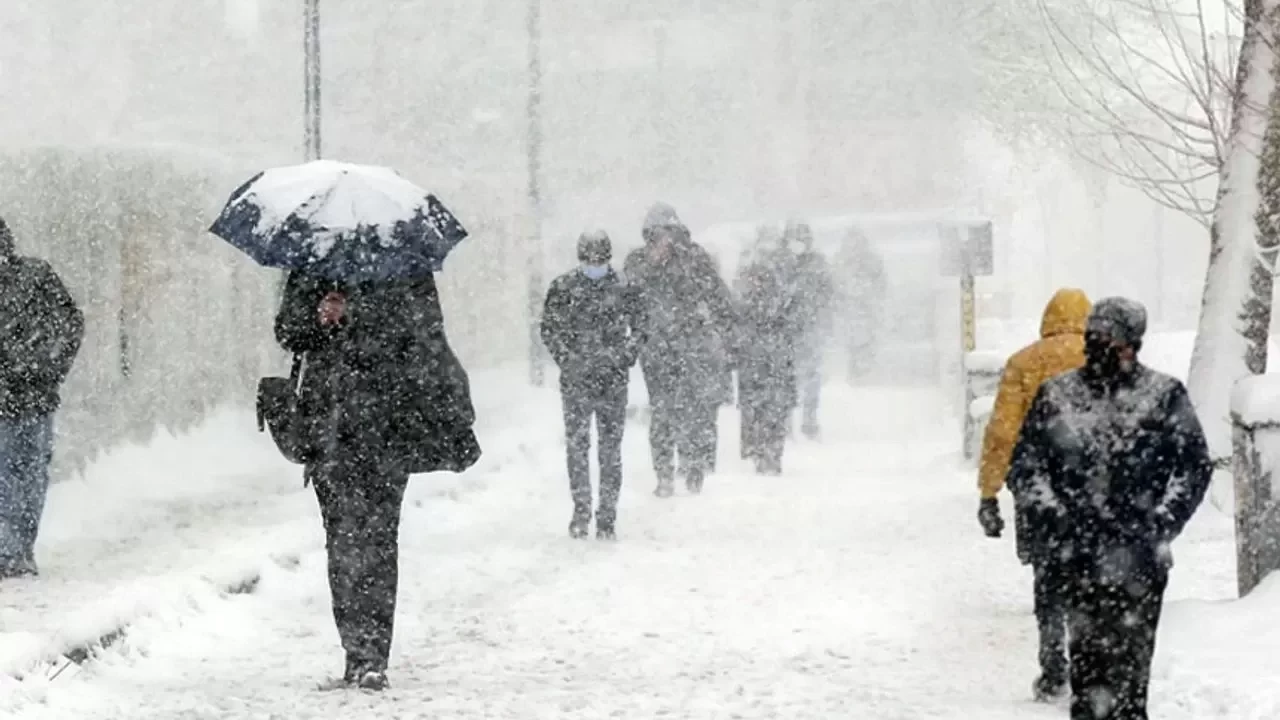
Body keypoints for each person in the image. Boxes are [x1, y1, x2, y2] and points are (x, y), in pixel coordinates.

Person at [275, 268, 480, 691]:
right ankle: (355, 651)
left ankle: (373, 656)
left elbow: (424, 336)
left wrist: (356, 316)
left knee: (379, 539)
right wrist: (318, 319)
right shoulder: (311, 267)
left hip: (389, 425)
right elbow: (287, 332)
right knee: (341, 540)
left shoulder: (408, 268)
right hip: (327, 429)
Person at [1007, 297, 1212, 720]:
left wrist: (1162, 523)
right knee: (1087, 675)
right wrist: (1055, 517)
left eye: (1110, 337)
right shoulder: (1058, 395)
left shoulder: (1163, 396)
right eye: (1093, 335)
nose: (1099, 345)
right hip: (1078, 557)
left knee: (1132, 676)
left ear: (1133, 343)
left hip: (1139, 561)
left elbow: (1192, 467)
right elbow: (1026, 466)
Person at [976, 287, 1091, 702]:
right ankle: (1090, 660)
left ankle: (1053, 665)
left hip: (1038, 484)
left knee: (1048, 574)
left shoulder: (1025, 362)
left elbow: (1003, 432)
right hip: (1094, 485)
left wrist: (989, 492)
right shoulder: (1104, 359)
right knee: (1091, 573)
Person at [625, 202, 736, 498]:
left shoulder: (695, 258)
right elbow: (629, 295)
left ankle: (693, 464)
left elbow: (718, 296)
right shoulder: (638, 260)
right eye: (657, 233)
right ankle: (663, 473)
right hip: (656, 349)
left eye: (668, 233)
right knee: (662, 411)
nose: (664, 239)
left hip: (691, 345)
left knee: (693, 408)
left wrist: (726, 333)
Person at [540, 230, 640, 540]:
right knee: (578, 447)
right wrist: (568, 359)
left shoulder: (625, 288)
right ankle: (581, 510)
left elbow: (641, 327)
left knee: (610, 450)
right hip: (577, 381)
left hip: (612, 381)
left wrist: (624, 355)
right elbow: (549, 329)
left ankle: (607, 515)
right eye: (589, 260)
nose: (594, 265)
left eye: (599, 260)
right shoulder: (563, 288)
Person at [0, 217, 84, 579]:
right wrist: (47, 366)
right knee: (24, 474)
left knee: (24, 474)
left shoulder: (35, 276)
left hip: (31, 396)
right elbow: (70, 325)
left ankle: (14, 551)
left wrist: (44, 367)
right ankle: (14, 552)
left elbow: (70, 325)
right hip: (33, 395)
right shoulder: (36, 275)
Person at [735, 241, 799, 474]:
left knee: (771, 414)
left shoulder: (773, 304)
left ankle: (769, 453)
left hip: (769, 367)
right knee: (764, 414)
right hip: (762, 368)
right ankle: (765, 454)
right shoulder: (752, 305)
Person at [782, 220, 833, 439]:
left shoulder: (817, 264)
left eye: (802, 239)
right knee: (786, 377)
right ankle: (785, 422)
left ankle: (809, 420)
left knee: (811, 377)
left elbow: (828, 292)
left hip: (810, 327)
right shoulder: (781, 263)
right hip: (786, 329)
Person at [833, 229, 886, 382]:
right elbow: (834, 284)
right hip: (850, 310)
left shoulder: (872, 261)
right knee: (853, 342)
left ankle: (864, 370)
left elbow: (880, 283)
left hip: (865, 309)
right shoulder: (840, 260)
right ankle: (856, 370)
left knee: (865, 341)